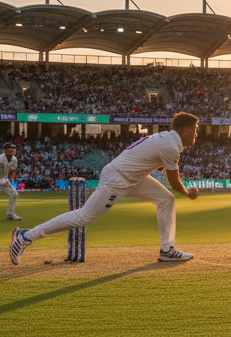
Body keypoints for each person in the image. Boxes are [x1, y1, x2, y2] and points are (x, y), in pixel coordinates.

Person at [10, 113, 202, 264]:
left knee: (166, 199)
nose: (196, 134)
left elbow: (153, 159)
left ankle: (167, 250)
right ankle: (26, 236)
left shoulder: (168, 139)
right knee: (83, 217)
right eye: (195, 130)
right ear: (184, 130)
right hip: (118, 179)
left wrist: (156, 165)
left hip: (133, 177)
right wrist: (187, 192)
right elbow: (175, 182)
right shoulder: (170, 145)